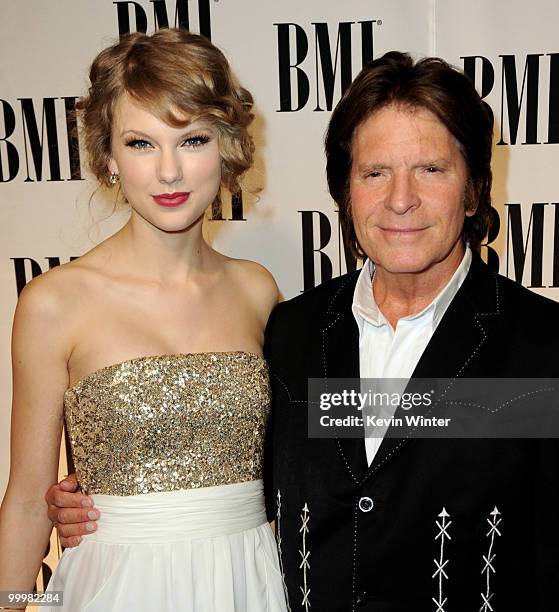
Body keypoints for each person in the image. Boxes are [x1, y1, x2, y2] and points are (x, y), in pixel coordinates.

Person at [42, 51, 559, 610]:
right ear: (345, 193)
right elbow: (238, 478)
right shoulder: (295, 332)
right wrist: (105, 503)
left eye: (430, 170)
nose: (400, 199)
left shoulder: (541, 346)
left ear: (475, 188)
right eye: (374, 173)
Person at [0, 29, 287, 612]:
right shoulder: (55, 301)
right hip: (115, 587)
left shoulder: (258, 290)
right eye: (140, 143)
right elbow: (29, 500)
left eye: (193, 139)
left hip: (248, 584)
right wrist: (11, 604)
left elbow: (291, 472)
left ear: (227, 146)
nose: (170, 172)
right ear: (107, 157)